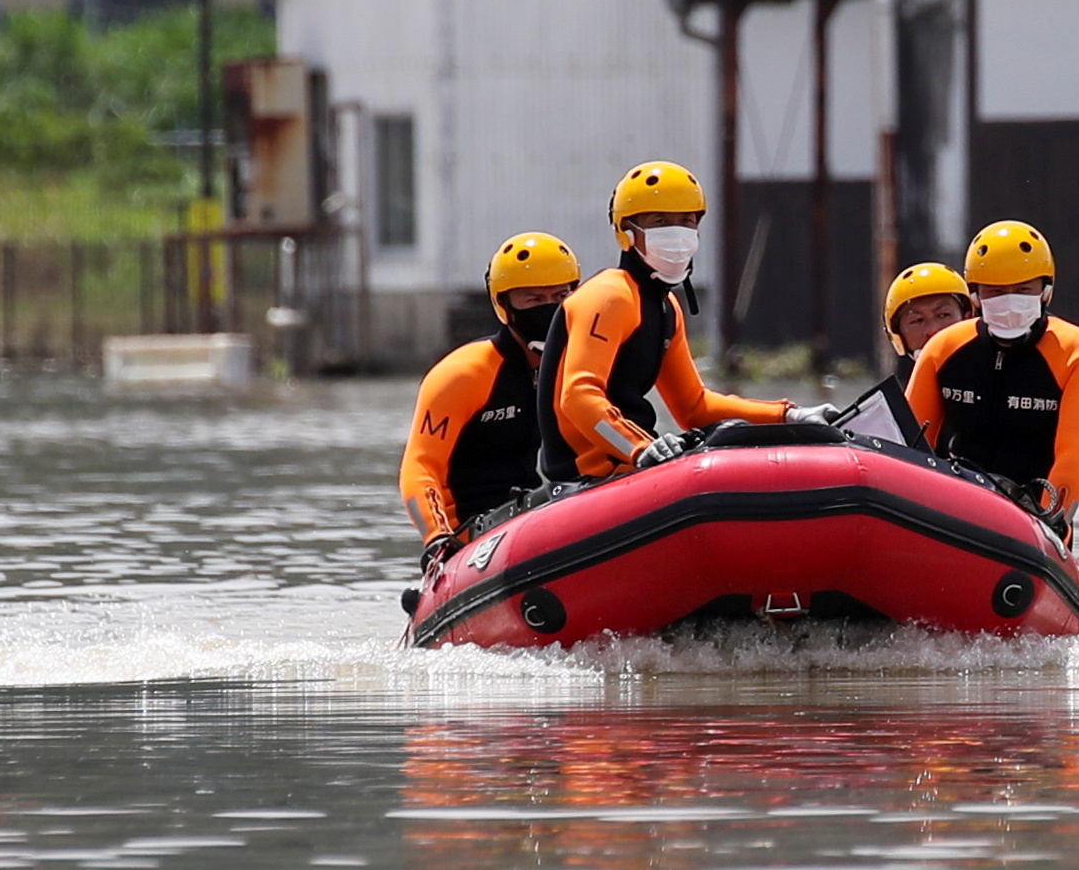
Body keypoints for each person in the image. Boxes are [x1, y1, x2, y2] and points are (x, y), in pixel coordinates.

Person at [539, 161, 836, 482]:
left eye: (686, 221)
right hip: (587, 477)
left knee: (731, 434)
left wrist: (790, 415)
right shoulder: (609, 296)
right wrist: (641, 449)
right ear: (626, 232)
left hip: (630, 466)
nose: (676, 232)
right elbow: (578, 396)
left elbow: (694, 407)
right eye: (660, 221)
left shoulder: (665, 306)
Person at [903, 221, 1079, 531]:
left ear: (1046, 292)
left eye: (1024, 290)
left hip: (1032, 520)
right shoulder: (942, 349)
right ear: (975, 296)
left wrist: (1049, 525)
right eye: (996, 292)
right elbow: (906, 447)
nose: (1010, 300)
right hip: (953, 511)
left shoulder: (1078, 353)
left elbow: (1073, 460)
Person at [400, 231, 581, 567]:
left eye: (560, 296)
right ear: (505, 304)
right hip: (470, 537)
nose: (551, 309)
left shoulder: (577, 369)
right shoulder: (462, 374)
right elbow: (420, 465)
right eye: (534, 299)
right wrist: (437, 537)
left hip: (535, 514)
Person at [882, 262, 974, 382]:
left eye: (943, 315)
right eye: (917, 320)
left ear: (967, 318)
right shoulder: (890, 399)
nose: (933, 330)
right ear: (898, 334)